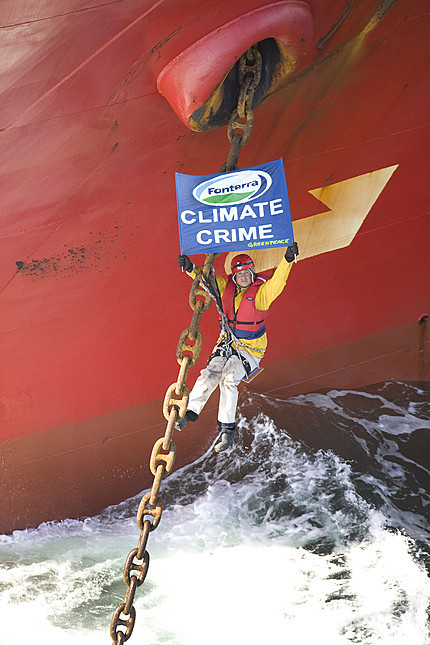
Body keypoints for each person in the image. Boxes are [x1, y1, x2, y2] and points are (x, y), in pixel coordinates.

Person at [176, 242, 299, 452]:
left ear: (252, 273)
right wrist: (190, 268)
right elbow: (207, 281)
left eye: (247, 273)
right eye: (239, 274)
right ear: (234, 276)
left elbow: (278, 282)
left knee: (229, 380)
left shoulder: (261, 295)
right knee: (209, 374)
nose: (243, 277)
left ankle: (227, 428)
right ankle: (190, 412)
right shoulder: (227, 288)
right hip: (226, 344)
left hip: (249, 351)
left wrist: (287, 260)